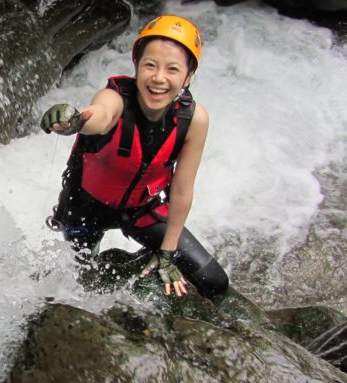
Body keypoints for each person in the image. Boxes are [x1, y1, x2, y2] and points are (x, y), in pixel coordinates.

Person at [40, 15, 229, 303]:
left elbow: (181, 190)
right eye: (150, 65)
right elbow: (99, 116)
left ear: (188, 76)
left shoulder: (194, 119)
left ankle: (147, 255)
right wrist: (74, 121)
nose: (158, 78)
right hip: (86, 208)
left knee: (214, 282)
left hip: (143, 210)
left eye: (173, 69)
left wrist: (166, 253)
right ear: (137, 66)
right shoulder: (115, 97)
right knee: (83, 282)